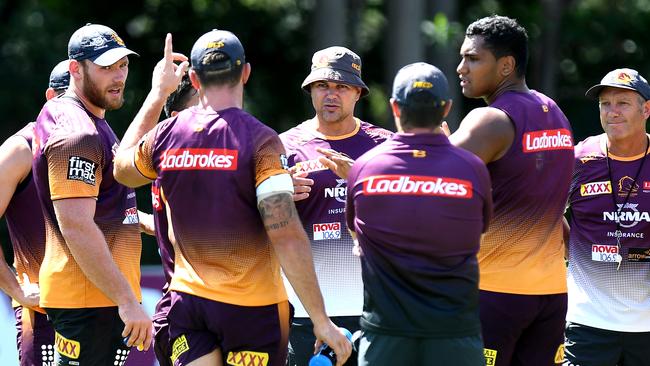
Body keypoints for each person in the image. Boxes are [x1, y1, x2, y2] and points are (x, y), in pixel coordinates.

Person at [113, 29, 351, 366]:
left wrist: (157, 94)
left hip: (189, 305)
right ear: (246, 73)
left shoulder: (166, 135)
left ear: (194, 79)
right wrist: (321, 320)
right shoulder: (261, 141)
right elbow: (284, 233)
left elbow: (121, 170)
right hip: (252, 311)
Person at [31, 23, 172, 364]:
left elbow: (118, 167)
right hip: (89, 301)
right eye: (106, 67)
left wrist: (159, 94)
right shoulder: (77, 133)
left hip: (96, 296)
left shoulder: (84, 117)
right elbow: (76, 225)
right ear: (75, 69)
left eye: (122, 65)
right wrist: (126, 300)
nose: (118, 76)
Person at [347, 62, 492, 366]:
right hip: (455, 334)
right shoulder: (472, 169)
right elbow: (479, 230)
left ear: (395, 108)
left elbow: (356, 233)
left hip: (385, 335)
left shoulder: (364, 167)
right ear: (447, 109)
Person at [450, 15, 574, 366]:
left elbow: (429, 178)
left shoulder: (490, 119)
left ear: (506, 66)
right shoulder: (554, 112)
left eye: (473, 59)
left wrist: (364, 173)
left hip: (495, 294)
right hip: (550, 294)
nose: (461, 68)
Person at [280, 46, 391, 366]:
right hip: (307, 312)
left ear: (358, 92)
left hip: (375, 310)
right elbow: (254, 223)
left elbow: (409, 218)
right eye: (322, 86)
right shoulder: (282, 145)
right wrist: (275, 198)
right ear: (311, 90)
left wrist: (360, 178)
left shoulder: (385, 145)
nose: (331, 94)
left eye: (341, 86)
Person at [564, 68, 650, 366]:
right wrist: (573, 249)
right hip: (587, 323)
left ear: (646, 109)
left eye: (623, 103)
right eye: (605, 104)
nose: (612, 112)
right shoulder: (579, 159)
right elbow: (544, 215)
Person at [0, 60, 68, 366]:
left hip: (96, 308)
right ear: (51, 98)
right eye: (72, 102)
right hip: (42, 310)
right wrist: (17, 289)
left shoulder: (102, 143)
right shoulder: (19, 150)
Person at [153, 73, 198, 366]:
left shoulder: (162, 163)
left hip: (185, 306)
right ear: (177, 118)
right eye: (203, 107)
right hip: (189, 308)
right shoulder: (186, 164)